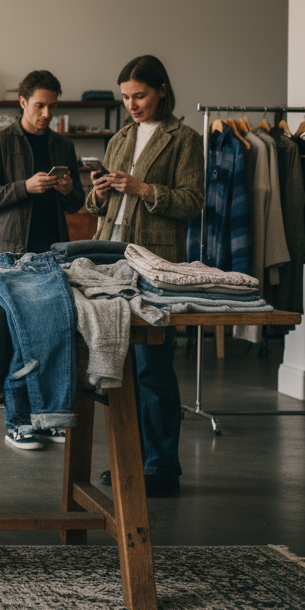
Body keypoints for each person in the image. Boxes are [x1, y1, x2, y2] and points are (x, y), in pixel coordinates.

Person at [85, 55, 203, 497]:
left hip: (156, 262)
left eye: (139, 96)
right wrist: (97, 194)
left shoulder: (184, 139)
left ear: (162, 91)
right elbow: (99, 207)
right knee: (120, 363)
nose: (131, 104)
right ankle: (130, 461)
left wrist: (144, 189)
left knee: (153, 365)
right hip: (111, 260)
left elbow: (192, 201)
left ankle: (161, 467)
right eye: (125, 98)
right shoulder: (120, 138)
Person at [0, 69, 86, 452]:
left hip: (52, 252)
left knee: (55, 332)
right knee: (21, 337)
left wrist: (69, 190)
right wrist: (26, 187)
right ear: (22, 102)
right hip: (11, 255)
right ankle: (18, 421)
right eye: (39, 105)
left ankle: (44, 415)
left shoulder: (62, 146)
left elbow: (77, 203)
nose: (46, 113)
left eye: (52, 106)